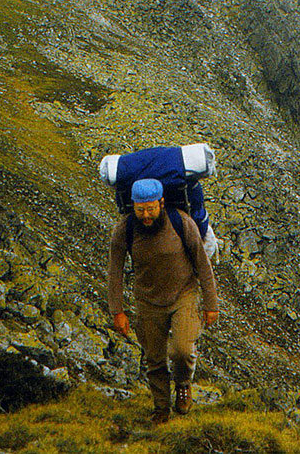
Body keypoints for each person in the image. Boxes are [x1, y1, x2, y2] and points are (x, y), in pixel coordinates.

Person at [108, 178, 220, 424]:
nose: (146, 215)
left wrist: (211, 304)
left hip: (184, 295)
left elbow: (203, 263)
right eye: (140, 210)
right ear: (133, 207)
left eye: (151, 209)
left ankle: (183, 384)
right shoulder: (124, 229)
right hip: (147, 300)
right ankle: (161, 409)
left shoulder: (181, 222)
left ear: (161, 203)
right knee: (154, 358)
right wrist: (117, 311)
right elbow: (115, 271)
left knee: (181, 350)